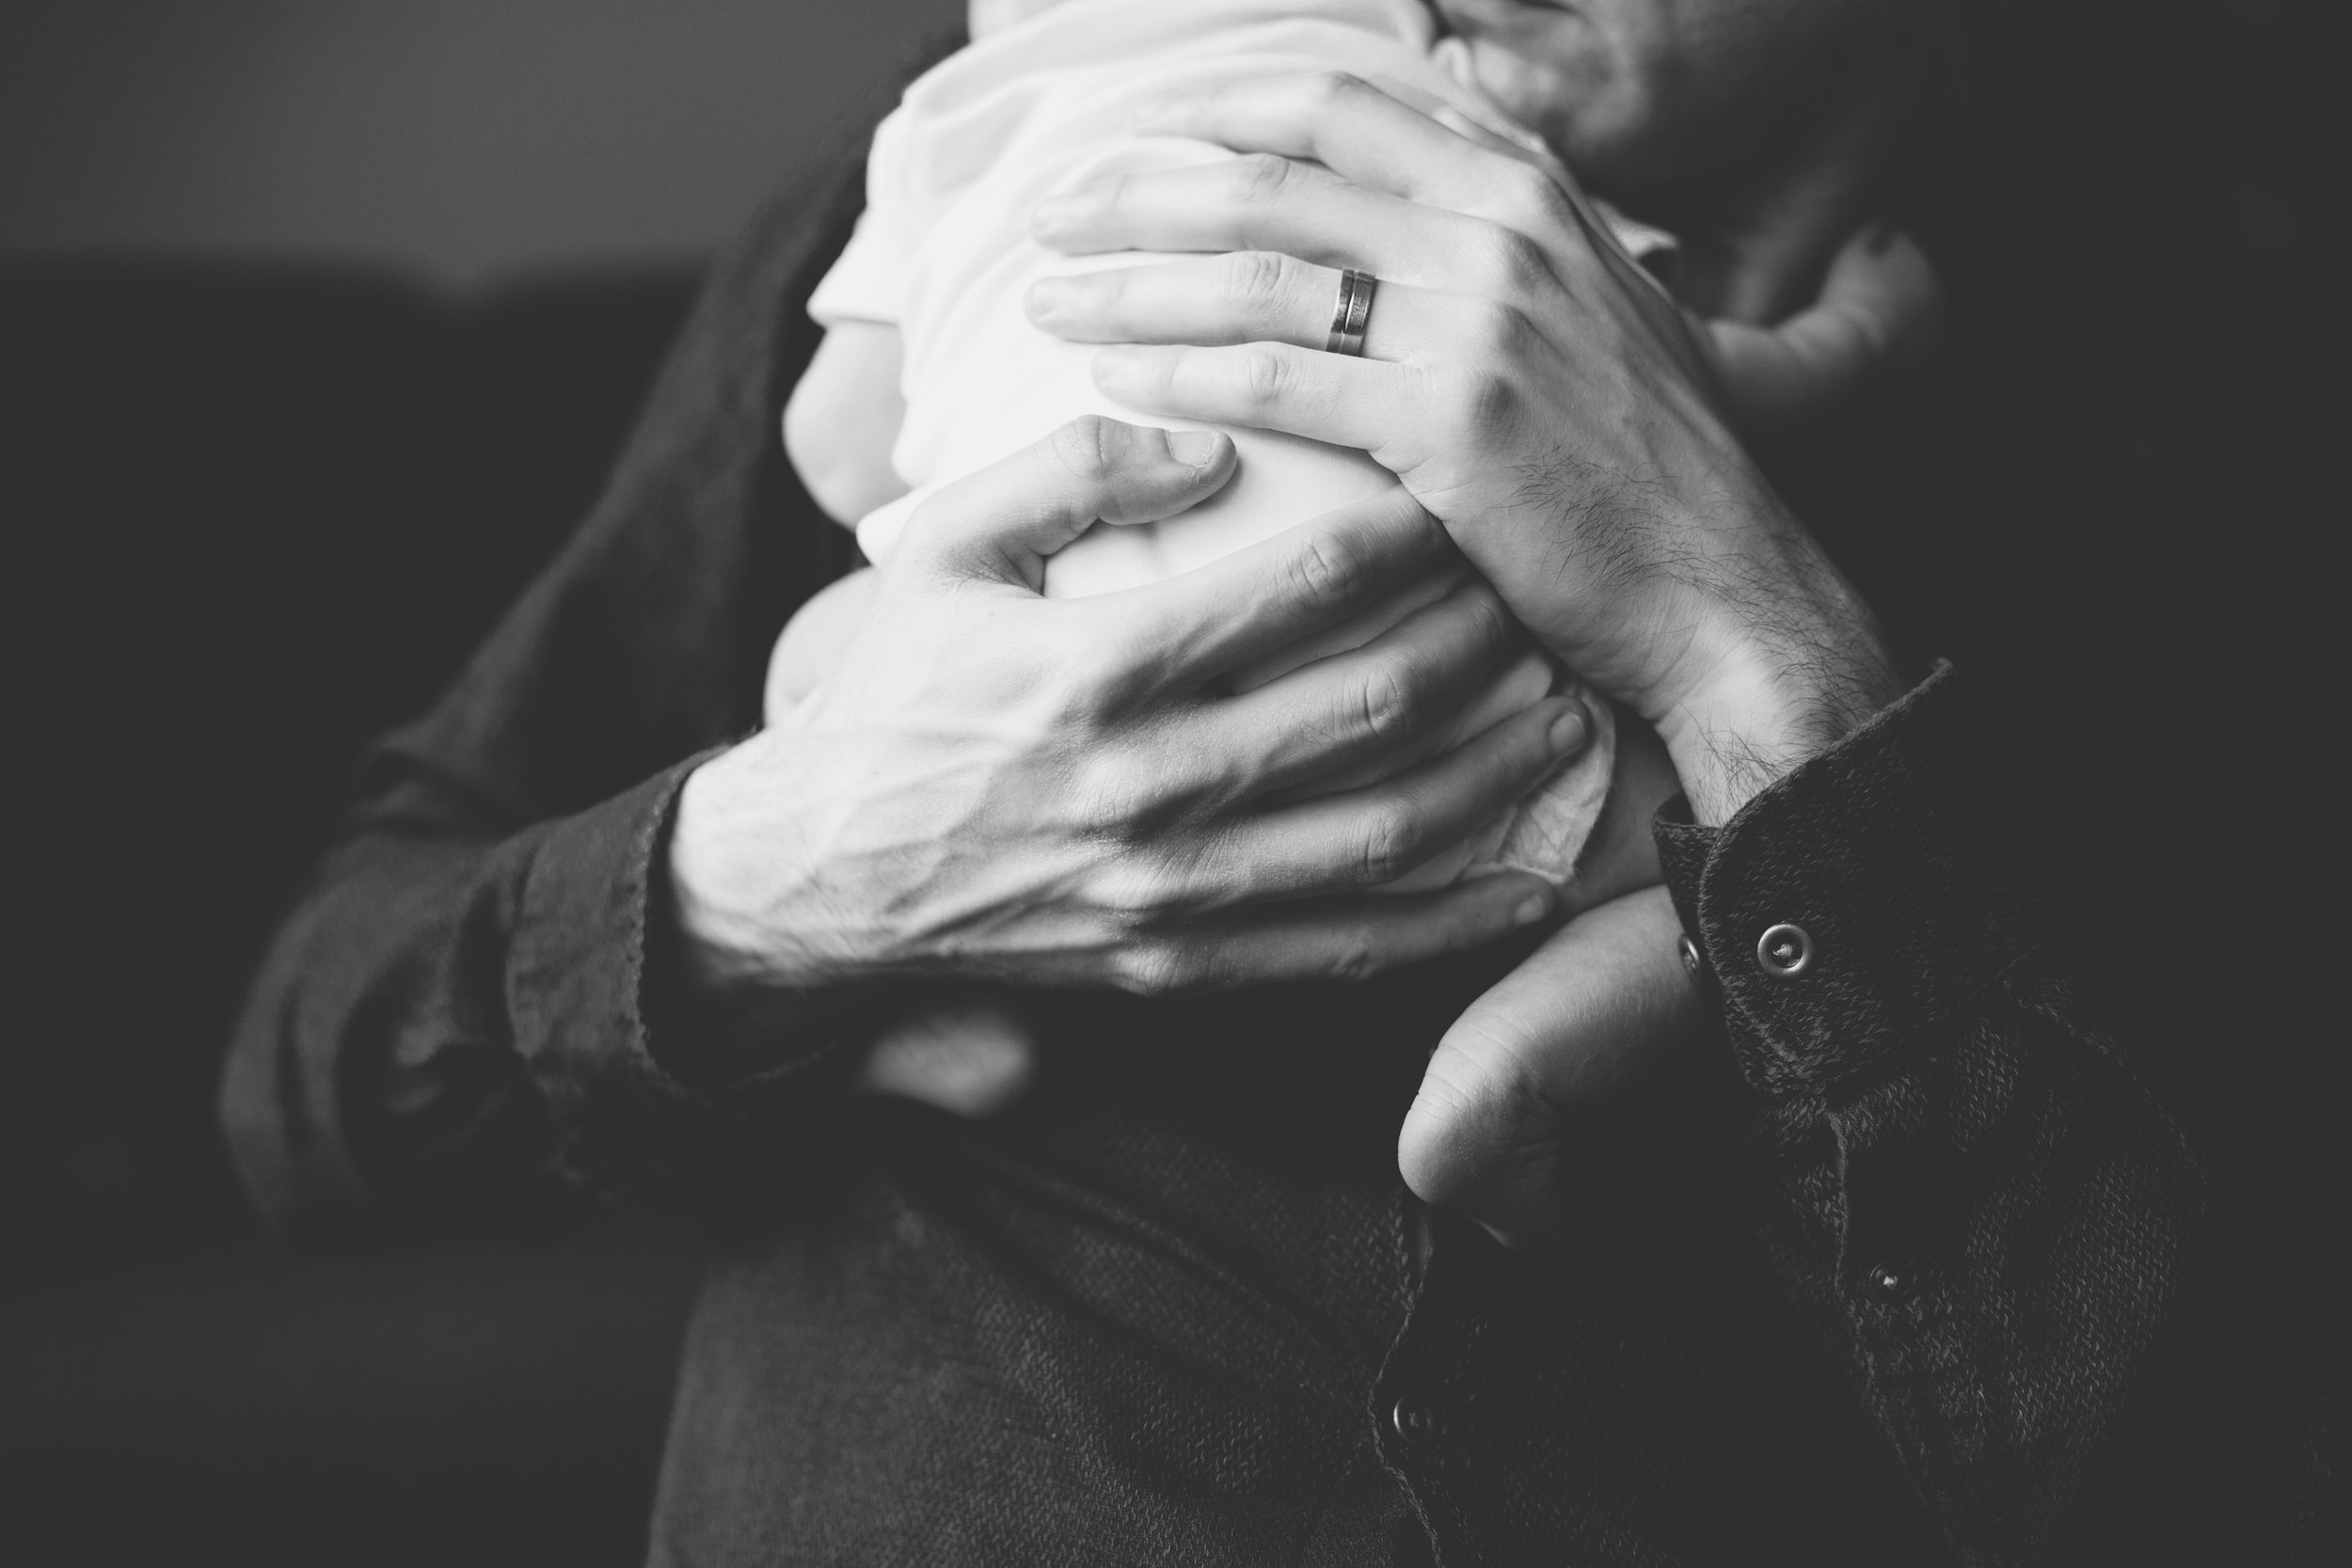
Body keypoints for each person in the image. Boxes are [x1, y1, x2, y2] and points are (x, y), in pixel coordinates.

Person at [222, 1, 2333, 1563]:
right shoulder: (983, 180)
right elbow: (314, 1073)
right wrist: (792, 872)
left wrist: (1737, 624)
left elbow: (2190, 1454)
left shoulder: (2213, 452)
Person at [767, 0, 1939, 1121]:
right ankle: (1538, 1036)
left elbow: (835, 447)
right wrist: (1858, 340)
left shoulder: (947, 121)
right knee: (1714, 832)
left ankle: (932, 1003)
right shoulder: (1431, 94)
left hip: (1031, 680)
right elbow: (1655, 383)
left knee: (813, 667)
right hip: (1449, 734)